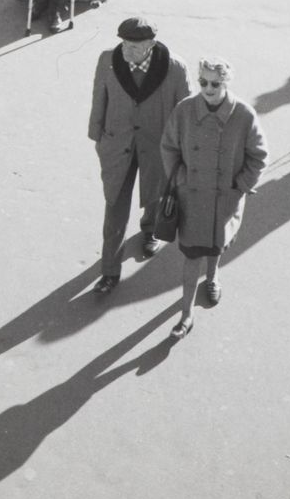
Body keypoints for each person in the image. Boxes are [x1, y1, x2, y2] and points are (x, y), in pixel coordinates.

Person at [159, 59, 268, 341]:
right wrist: (181, 178)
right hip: (192, 196)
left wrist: (240, 186)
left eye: (215, 83)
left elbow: (259, 156)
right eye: (203, 82)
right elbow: (168, 147)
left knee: (216, 242)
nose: (208, 88)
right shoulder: (184, 110)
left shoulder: (243, 114)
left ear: (226, 83)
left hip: (225, 197)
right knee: (192, 253)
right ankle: (186, 314)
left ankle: (213, 277)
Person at [88, 18, 192, 297]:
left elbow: (184, 114)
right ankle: (109, 272)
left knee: (154, 194)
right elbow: (99, 97)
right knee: (114, 207)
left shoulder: (175, 68)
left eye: (134, 46)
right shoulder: (108, 60)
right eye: (123, 43)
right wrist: (97, 136)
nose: (126, 50)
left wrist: (182, 151)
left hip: (157, 147)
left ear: (151, 45)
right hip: (117, 144)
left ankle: (150, 230)